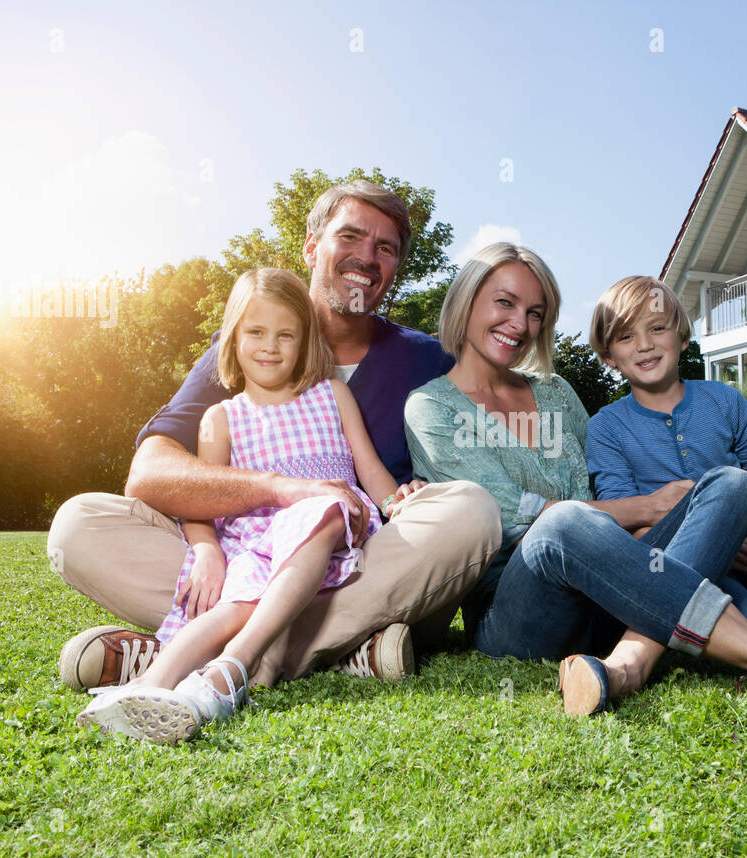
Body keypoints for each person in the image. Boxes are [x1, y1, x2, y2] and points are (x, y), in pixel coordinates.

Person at [404, 242, 747, 715]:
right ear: (466, 300)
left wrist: (703, 521)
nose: (520, 325)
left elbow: (600, 499)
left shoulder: (555, 394)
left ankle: (632, 659)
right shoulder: (430, 407)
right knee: (558, 523)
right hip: (518, 614)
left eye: (535, 314)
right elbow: (515, 520)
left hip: (606, 595)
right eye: (505, 303)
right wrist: (651, 507)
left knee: (729, 483)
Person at [50, 180, 500, 692]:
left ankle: (193, 655)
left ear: (396, 266)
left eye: (385, 248)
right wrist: (281, 491)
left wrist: (408, 497)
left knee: (470, 511)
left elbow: (465, 458)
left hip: (360, 560)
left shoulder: (428, 360)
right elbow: (150, 475)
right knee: (78, 525)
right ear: (311, 246)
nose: (367, 258)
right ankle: (342, 650)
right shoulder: (243, 346)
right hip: (245, 558)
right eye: (350, 237)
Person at [78, 269, 427, 743]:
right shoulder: (219, 418)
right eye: (256, 333)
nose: (270, 346)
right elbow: (200, 503)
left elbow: (368, 468)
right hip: (258, 542)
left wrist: (394, 500)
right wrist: (207, 552)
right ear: (233, 338)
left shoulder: (331, 394)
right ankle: (150, 684)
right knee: (233, 607)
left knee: (324, 507)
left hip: (335, 531)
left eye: (286, 335)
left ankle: (230, 670)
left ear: (305, 341)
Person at [583, 275, 747, 694]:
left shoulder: (724, 401)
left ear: (682, 338)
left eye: (657, 329)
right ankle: (706, 626)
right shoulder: (605, 427)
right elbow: (627, 520)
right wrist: (716, 538)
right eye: (626, 337)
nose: (645, 345)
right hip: (670, 558)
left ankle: (708, 630)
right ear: (610, 356)